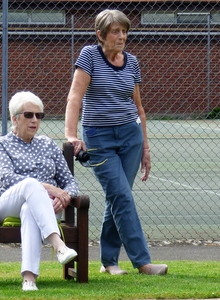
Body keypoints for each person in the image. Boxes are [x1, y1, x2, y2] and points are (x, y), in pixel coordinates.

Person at [65, 9, 168, 276]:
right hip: (99, 137)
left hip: (131, 137)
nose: (121, 36)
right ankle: (143, 262)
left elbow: (139, 108)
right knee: (121, 195)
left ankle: (108, 262)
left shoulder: (131, 62)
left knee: (118, 198)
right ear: (100, 34)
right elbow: (74, 98)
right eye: (115, 31)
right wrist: (71, 135)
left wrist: (145, 147)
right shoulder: (89, 56)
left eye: (124, 31)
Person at [0, 91, 79, 291]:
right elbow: (5, 177)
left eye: (39, 115)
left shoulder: (48, 145)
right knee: (31, 184)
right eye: (29, 115)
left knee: (30, 209)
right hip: (6, 205)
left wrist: (65, 197)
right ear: (14, 118)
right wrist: (46, 187)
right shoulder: (0, 144)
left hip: (42, 207)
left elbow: (71, 184)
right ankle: (59, 246)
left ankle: (29, 279)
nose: (34, 120)